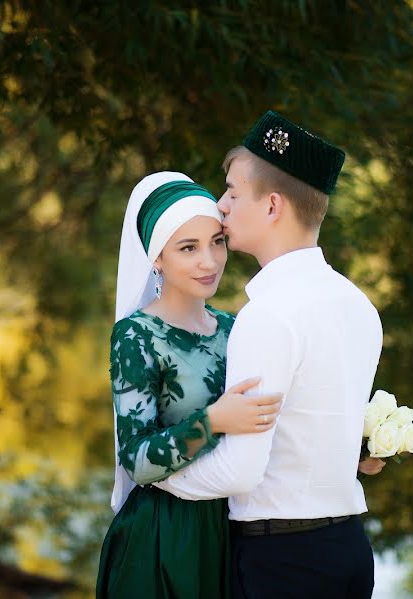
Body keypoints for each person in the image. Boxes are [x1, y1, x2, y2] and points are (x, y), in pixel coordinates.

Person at [153, 111, 385, 598]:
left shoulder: (268, 316)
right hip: (349, 552)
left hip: (282, 564)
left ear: (273, 205)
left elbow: (241, 470)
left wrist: (156, 476)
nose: (222, 205)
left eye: (234, 192)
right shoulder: (360, 307)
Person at [96, 171, 283, 598]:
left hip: (231, 529)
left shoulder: (236, 328)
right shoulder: (137, 336)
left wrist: (355, 452)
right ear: (156, 259)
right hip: (162, 537)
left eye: (217, 242)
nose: (210, 261)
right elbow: (136, 459)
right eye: (188, 248)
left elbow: (273, 417)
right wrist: (212, 421)